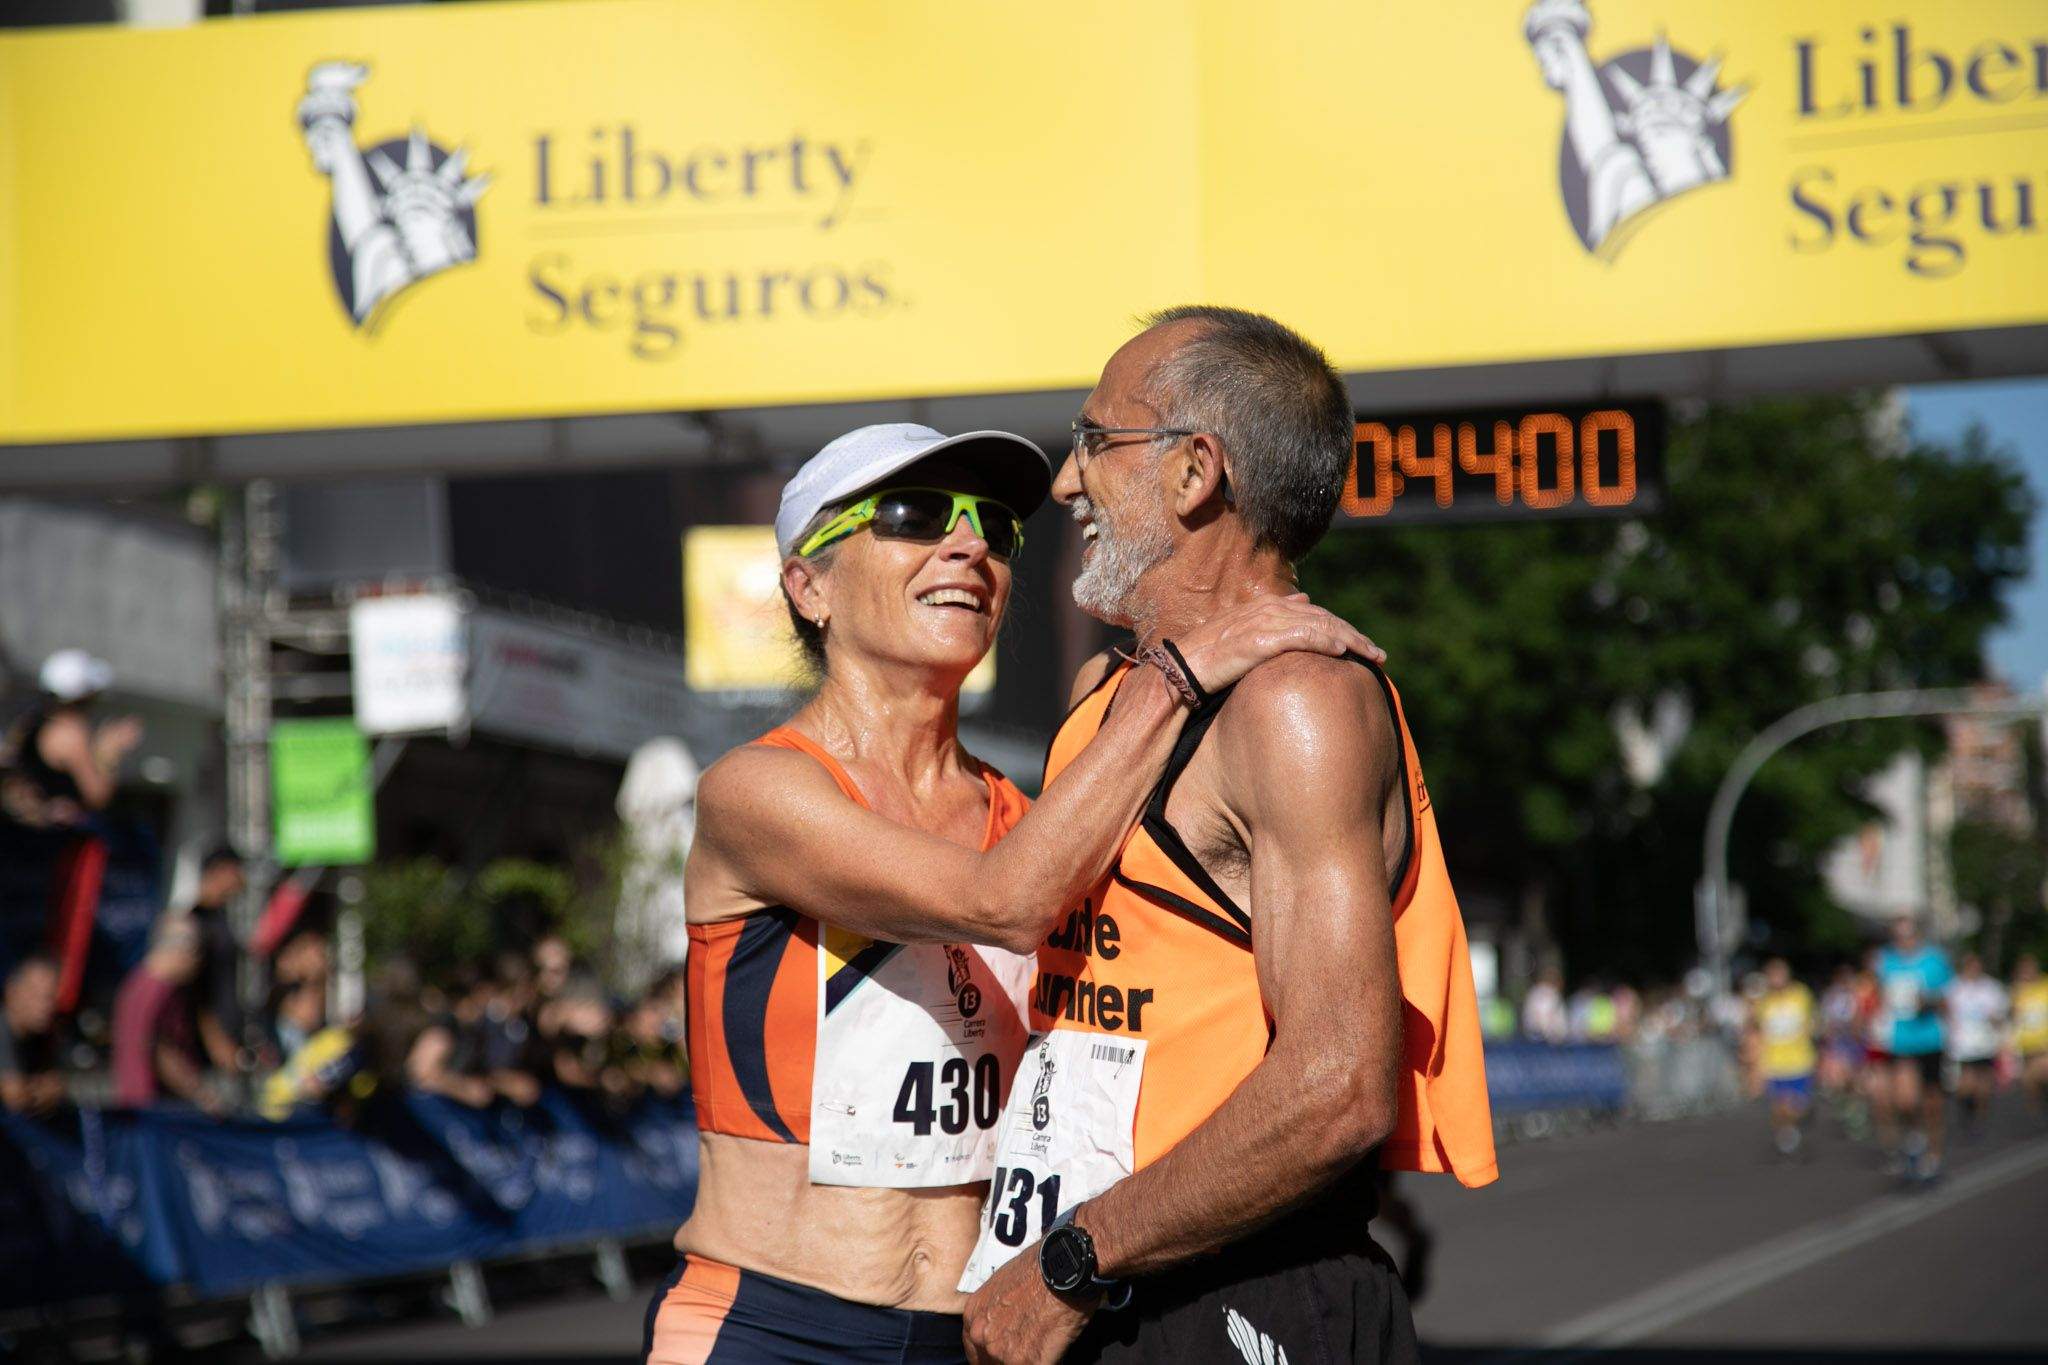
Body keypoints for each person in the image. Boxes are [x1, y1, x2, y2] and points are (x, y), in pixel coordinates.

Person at [649, 421, 1374, 1365]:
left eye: (993, 526)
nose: (969, 546)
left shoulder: (1030, 814)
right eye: (913, 516)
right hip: (776, 1321)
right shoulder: (758, 791)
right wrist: (1183, 669)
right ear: (808, 584)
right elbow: (1004, 901)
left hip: (982, 1331)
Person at [959, 307, 1495, 1365]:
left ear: (1194, 471)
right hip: (1082, 1283)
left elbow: (1336, 1087)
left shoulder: (1297, 706)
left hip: (1222, 1289)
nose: (1067, 484)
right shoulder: (1104, 694)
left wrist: (1076, 1258)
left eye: (1094, 442)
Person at [0, 649, 142, 828]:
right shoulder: (70, 730)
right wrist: (111, 749)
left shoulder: (34, 721)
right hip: (51, 844)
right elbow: (98, 795)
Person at [111, 916, 223, 1113]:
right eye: (197, 954)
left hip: (137, 1108)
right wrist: (200, 1093)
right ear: (180, 952)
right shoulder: (157, 993)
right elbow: (162, 1053)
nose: (198, 964)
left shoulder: (137, 985)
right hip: (155, 1111)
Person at [1870, 918, 1953, 1182]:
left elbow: (1947, 1000)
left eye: (1909, 935)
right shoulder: (1885, 962)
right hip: (1900, 1040)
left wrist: (1926, 1002)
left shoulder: (1934, 961)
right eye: (1898, 936)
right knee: (1904, 1099)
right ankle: (1914, 1137)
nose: (1904, 941)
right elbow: (1879, 996)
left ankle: (1934, 1153)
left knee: (1932, 1102)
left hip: (1929, 1039)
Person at [186, 846, 249, 1076]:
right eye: (237, 871)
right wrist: (216, 1041)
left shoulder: (221, 919)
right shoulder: (195, 921)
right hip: (202, 1050)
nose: (242, 879)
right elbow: (195, 992)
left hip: (226, 1040)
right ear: (219, 871)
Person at [1752, 958, 1817, 1157]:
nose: (1776, 979)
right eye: (1772, 975)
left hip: (1800, 1060)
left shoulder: (1801, 995)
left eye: (1779, 974)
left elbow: (1812, 1024)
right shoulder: (1764, 1002)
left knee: (1796, 1107)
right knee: (1779, 1109)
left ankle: (1794, 1128)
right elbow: (1759, 1033)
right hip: (1775, 1062)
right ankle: (1788, 1136)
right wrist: (1757, 1065)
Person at [1944, 952, 2007, 1137]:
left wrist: (1995, 1021)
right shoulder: (1954, 988)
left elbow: (2001, 1015)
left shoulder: (1991, 988)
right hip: (1963, 1046)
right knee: (1965, 1085)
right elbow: (1946, 1014)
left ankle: (1980, 1120)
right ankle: (1967, 1111)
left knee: (1984, 1086)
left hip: (1985, 1043)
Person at [0, 954, 64, 1114]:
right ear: (12, 992)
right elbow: (14, 1096)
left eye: (50, 998)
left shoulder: (39, 1036)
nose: (45, 1006)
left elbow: (55, 1083)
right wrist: (42, 1090)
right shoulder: (3, 1029)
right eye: (35, 995)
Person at [2010, 954, 2048, 1117]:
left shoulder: (2045, 986)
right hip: (2026, 1046)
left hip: (2044, 1044)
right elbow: (2014, 1017)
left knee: (2042, 1073)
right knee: (2029, 1081)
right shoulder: (2018, 992)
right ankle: (2037, 1112)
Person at [1522, 967, 1569, 1043]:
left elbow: (1560, 1019)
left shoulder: (1555, 994)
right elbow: (1533, 1017)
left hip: (1551, 1038)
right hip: (1539, 1037)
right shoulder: (1537, 993)